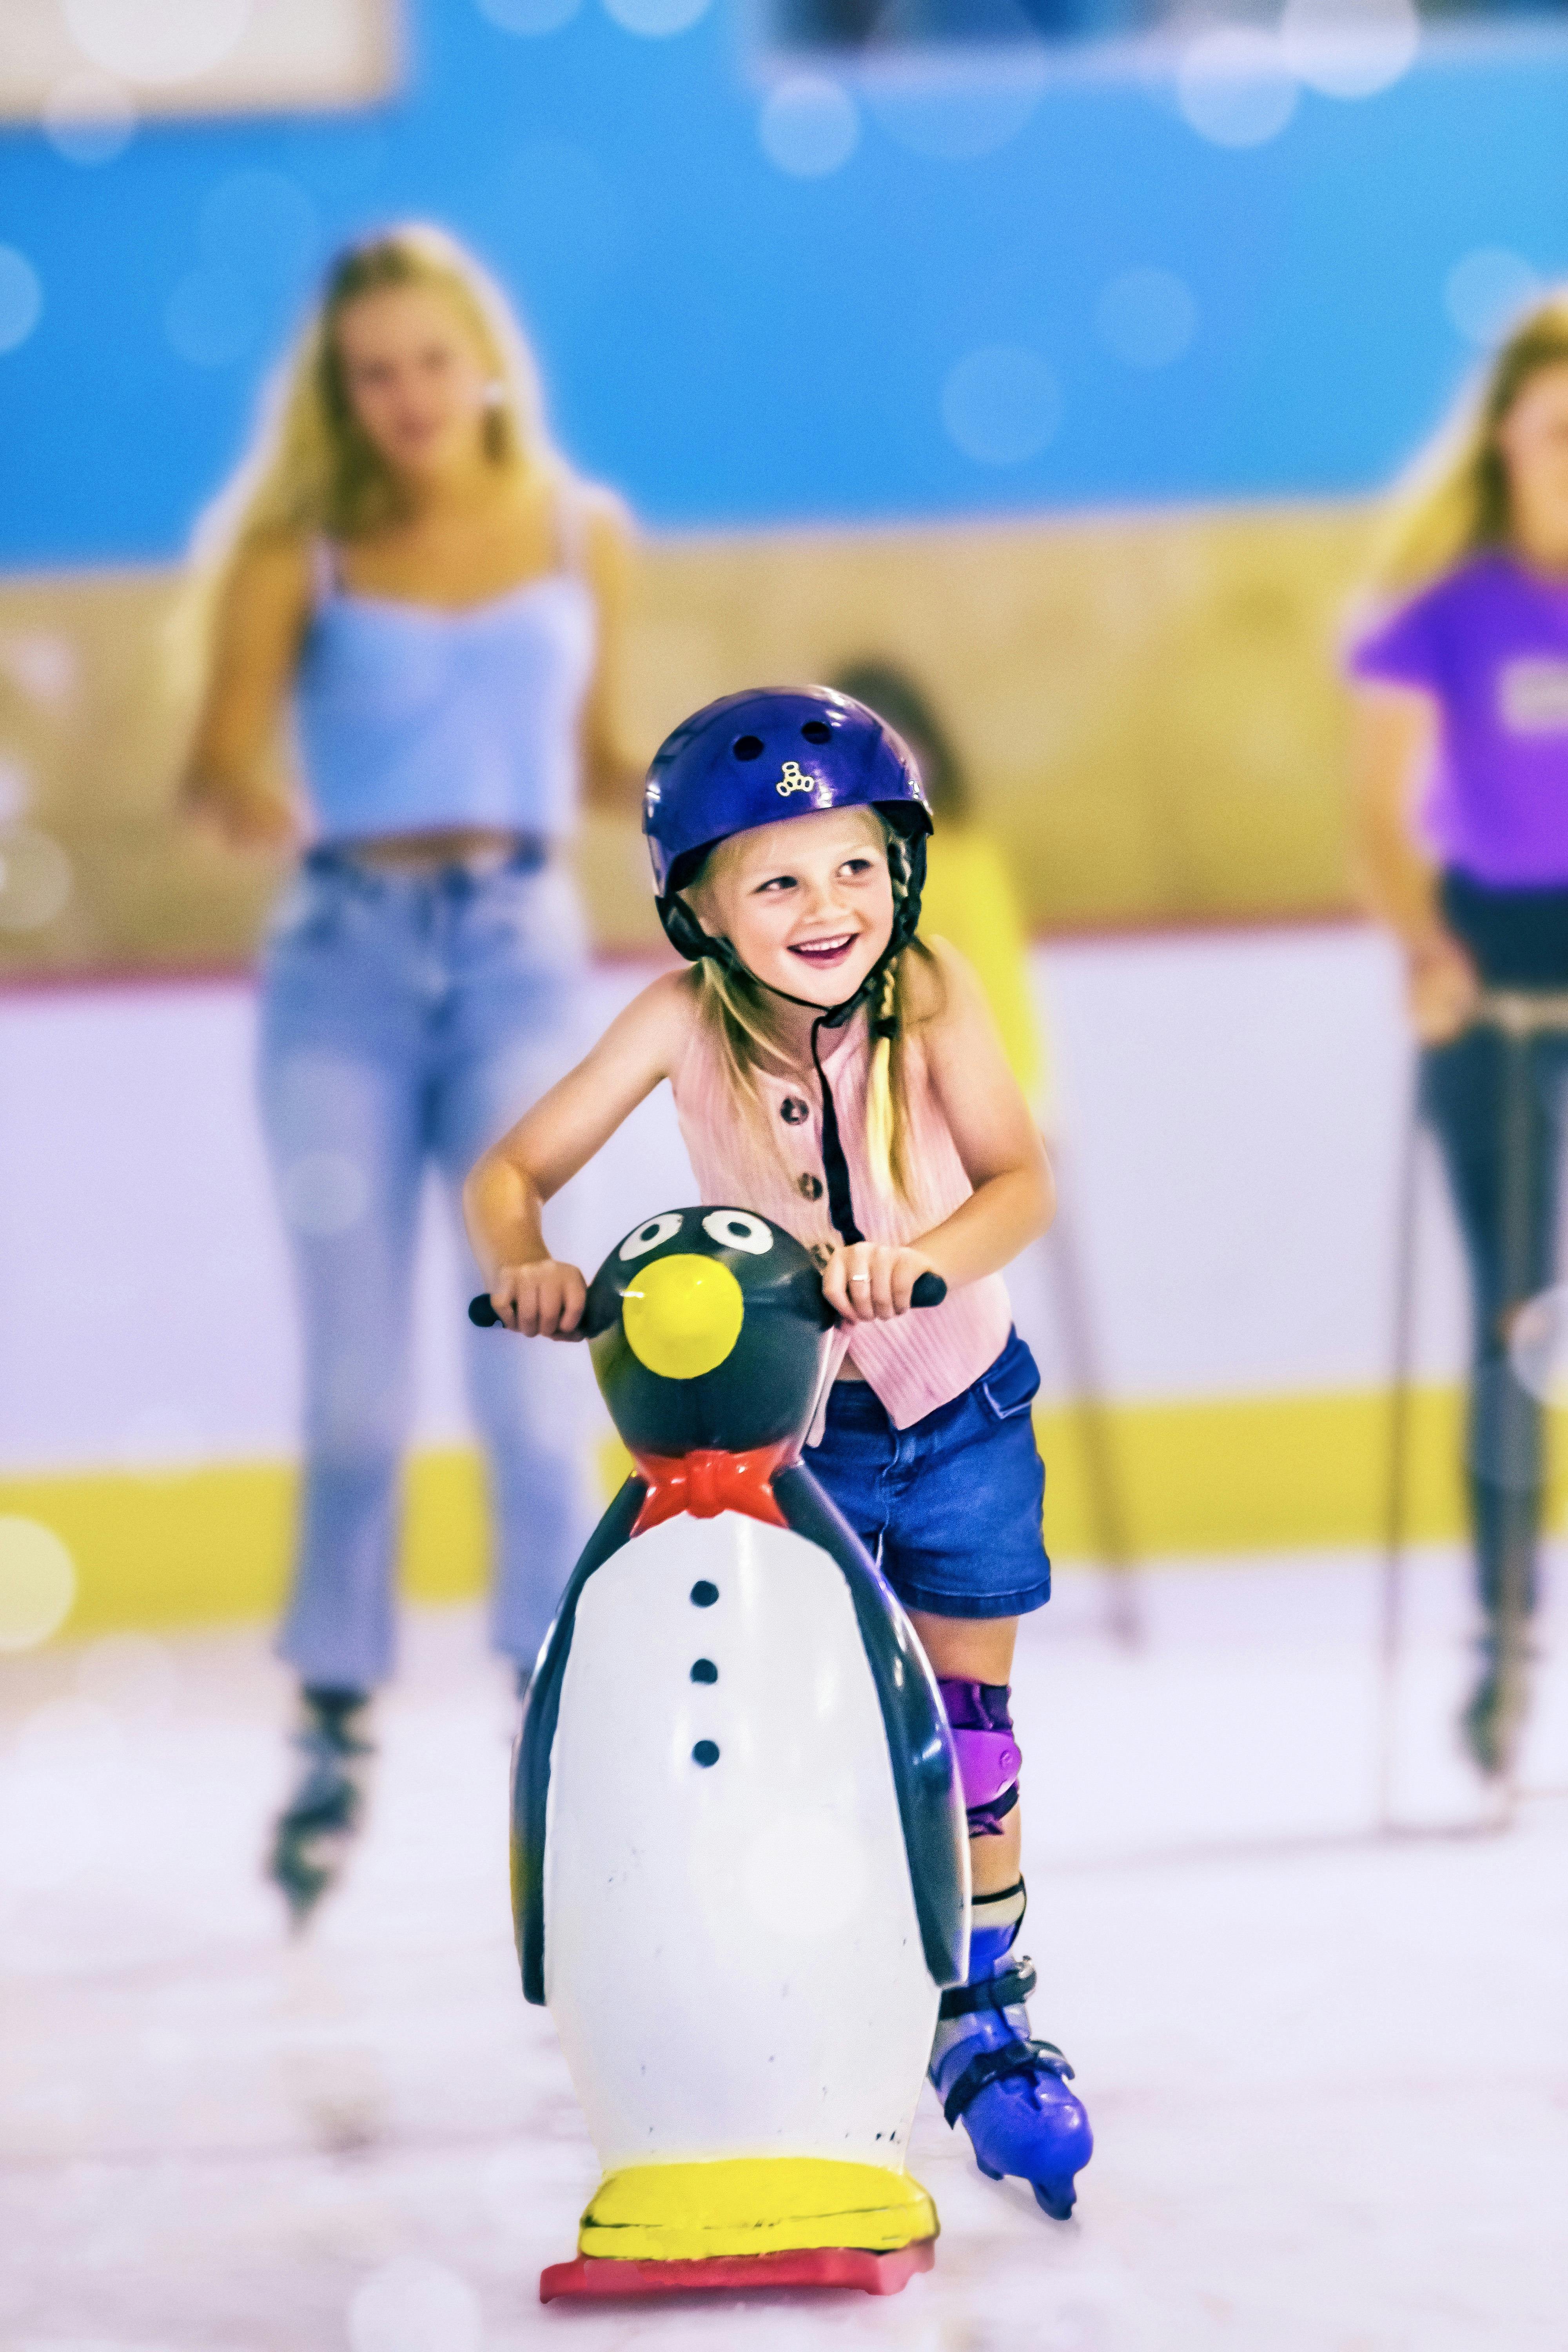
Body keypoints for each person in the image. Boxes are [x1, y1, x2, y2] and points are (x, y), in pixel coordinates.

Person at [464, 685, 1095, 2219]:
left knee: (972, 1743)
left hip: (960, 1421)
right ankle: (798, 2024)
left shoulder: (931, 995)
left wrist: (924, 1257)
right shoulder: (679, 1023)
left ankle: (988, 2023)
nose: (830, 906)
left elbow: (1021, 1179)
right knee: (790, 1745)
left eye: (856, 866)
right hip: (789, 1458)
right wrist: (533, 1257)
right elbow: (512, 1166)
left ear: (904, 871)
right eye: (778, 878)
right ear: (697, 907)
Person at [181, 225, 640, 1922]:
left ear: (483, 362)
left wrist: (744, 820)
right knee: (360, 1387)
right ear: (340, 390)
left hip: (518, 947)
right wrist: (265, 810)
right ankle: (332, 1706)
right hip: (346, 974)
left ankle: (556, 1696)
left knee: (536, 1355)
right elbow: (220, 759)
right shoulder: (295, 553)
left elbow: (597, 756)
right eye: (374, 374)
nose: (407, 399)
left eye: (431, 364)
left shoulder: (580, 538)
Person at [1348, 294, 1568, 1777]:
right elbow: (1382, 809)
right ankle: (1505, 1643)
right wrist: (1429, 949)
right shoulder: (1446, 612)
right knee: (1521, 1318)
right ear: (1508, 435)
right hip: (1495, 958)